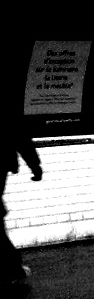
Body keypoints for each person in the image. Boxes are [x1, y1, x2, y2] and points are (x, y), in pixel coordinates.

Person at [1, 108, 43, 286]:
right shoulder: (5, 109)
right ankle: (12, 267)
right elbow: (21, 138)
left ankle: (11, 267)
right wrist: (35, 166)